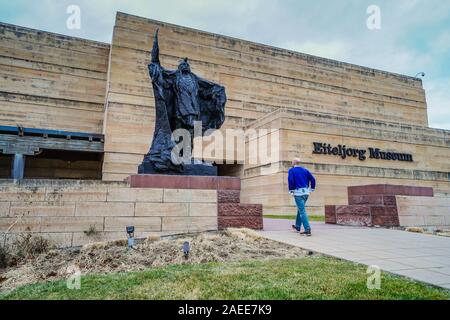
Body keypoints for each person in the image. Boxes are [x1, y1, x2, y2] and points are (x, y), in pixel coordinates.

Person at [288, 158, 316, 236]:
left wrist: (291, 190)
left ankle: (307, 229)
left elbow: (291, 180)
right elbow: (313, 179)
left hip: (298, 193)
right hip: (306, 193)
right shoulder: (305, 170)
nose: (291, 163)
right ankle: (297, 226)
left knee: (302, 210)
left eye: (292, 162)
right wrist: (311, 189)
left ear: (294, 163)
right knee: (300, 209)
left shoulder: (291, 170)